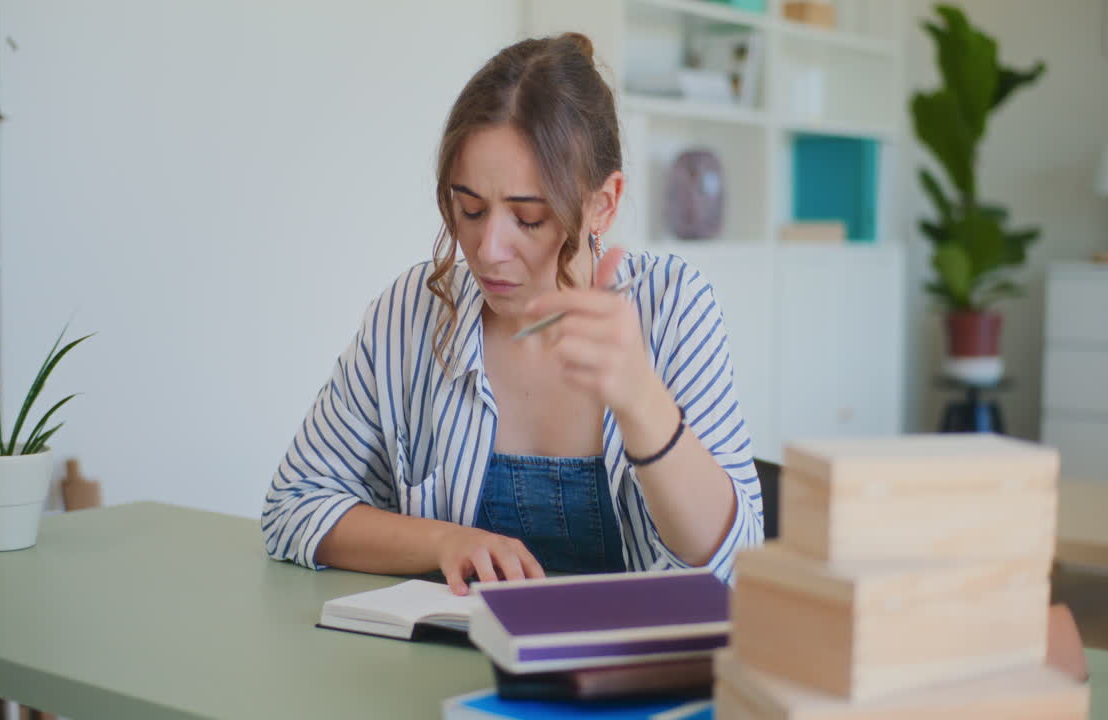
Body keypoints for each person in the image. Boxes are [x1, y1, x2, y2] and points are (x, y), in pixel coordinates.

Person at [262, 33, 763, 595]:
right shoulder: (412, 312)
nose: (487, 248)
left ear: (604, 203)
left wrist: (641, 400)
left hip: (629, 678)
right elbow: (294, 505)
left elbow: (734, 568)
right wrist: (443, 541)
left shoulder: (673, 308)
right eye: (470, 209)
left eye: (527, 218)